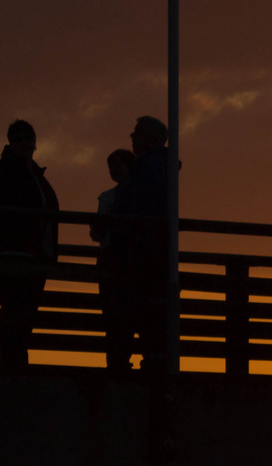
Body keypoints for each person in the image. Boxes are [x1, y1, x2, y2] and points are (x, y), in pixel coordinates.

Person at [0, 119, 58, 366]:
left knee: (25, 314)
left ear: (35, 143)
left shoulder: (35, 173)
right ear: (10, 144)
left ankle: (17, 363)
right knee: (14, 312)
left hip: (35, 254)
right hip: (13, 252)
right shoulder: (2, 170)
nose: (24, 142)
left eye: (28, 138)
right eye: (18, 139)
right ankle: (11, 366)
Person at [111, 116, 173, 374]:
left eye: (137, 132)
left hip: (139, 257)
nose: (131, 136)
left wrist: (117, 226)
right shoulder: (154, 167)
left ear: (152, 138)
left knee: (137, 311)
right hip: (147, 254)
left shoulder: (148, 169)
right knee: (149, 313)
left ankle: (144, 366)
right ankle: (152, 362)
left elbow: (138, 210)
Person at [91, 148, 136, 371]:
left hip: (123, 262)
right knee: (113, 314)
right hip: (111, 260)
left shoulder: (124, 197)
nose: (114, 170)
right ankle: (116, 362)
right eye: (112, 166)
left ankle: (119, 361)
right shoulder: (107, 196)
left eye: (118, 165)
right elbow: (96, 232)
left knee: (123, 315)